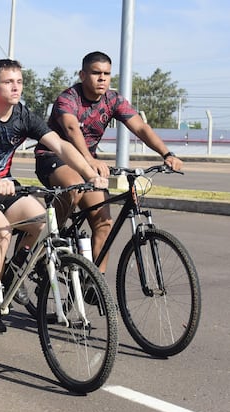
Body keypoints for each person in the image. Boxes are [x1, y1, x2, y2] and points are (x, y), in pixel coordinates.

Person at [0, 59, 108, 336]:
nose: (15, 87)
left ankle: (13, 270)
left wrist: (88, 173)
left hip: (5, 184)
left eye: (19, 81)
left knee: (41, 222)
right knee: (0, 232)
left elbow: (59, 144)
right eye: (8, 82)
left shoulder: (23, 116)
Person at [35, 51, 184, 273]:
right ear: (83, 75)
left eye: (106, 73)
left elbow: (141, 127)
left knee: (104, 223)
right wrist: (88, 160)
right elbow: (70, 128)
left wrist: (167, 154)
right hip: (53, 157)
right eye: (96, 73)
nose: (102, 78)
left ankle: (96, 282)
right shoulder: (68, 98)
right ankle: (44, 236)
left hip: (88, 164)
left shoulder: (112, 100)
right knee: (74, 187)